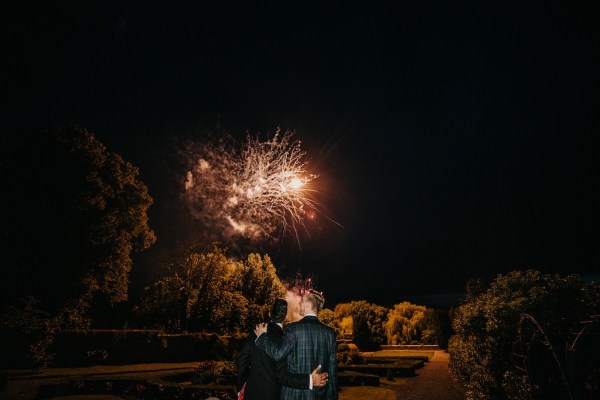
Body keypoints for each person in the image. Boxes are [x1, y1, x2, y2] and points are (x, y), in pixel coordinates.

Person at [237, 298, 328, 400]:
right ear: (285, 317)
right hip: (273, 395)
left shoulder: (256, 331)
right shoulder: (285, 337)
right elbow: (283, 376)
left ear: (269, 313)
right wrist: (310, 380)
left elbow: (242, 361)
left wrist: (241, 387)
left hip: (251, 393)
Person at [255, 289, 338, 400]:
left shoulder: (292, 328)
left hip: (294, 395)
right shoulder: (329, 333)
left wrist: (262, 337)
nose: (299, 303)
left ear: (308, 304)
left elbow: (278, 354)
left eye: (302, 301)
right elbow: (332, 373)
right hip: (319, 395)